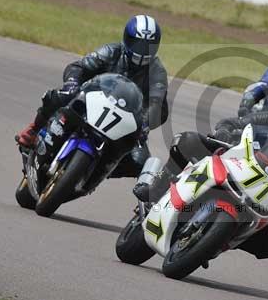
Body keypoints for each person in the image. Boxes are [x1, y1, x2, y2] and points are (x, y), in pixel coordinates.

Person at [133, 88, 268, 260]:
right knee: (187, 140)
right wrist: (224, 132)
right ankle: (155, 189)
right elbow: (232, 122)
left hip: (262, 191)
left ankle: (217, 240)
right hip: (234, 161)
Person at [16, 14, 168, 178]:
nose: (141, 50)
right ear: (127, 39)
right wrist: (72, 83)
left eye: (147, 46)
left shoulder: (157, 71)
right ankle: (34, 130)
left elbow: (157, 104)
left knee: (141, 161)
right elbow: (78, 66)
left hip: (124, 121)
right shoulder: (111, 51)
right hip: (92, 101)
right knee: (65, 94)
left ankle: (97, 172)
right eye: (137, 43)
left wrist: (144, 123)